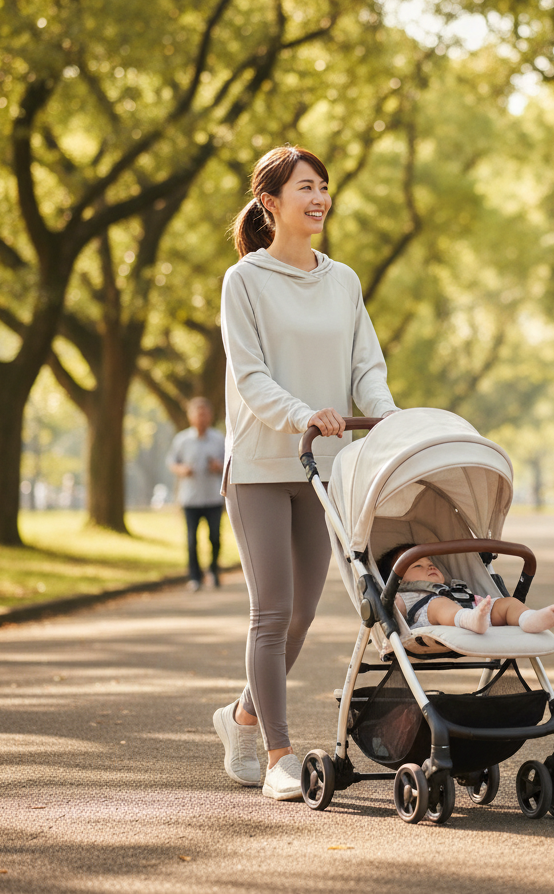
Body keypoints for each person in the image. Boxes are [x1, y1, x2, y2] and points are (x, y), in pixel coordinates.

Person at [211, 145, 399, 802]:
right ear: (270, 202)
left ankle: (240, 715)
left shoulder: (342, 279)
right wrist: (302, 415)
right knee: (273, 612)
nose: (319, 199)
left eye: (324, 187)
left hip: (324, 469)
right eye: (305, 188)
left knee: (303, 616)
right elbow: (251, 377)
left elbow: (365, 367)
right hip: (262, 465)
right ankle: (278, 755)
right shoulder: (245, 281)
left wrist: (389, 416)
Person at [376, 548, 554, 634]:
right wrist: (389, 601)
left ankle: (527, 619)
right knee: (439, 604)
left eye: (431, 564)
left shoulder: (452, 586)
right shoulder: (404, 595)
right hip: (432, 620)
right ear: (397, 581)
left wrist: (483, 608)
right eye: (417, 565)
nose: (429, 567)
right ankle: (469, 619)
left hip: (477, 611)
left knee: (507, 602)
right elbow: (393, 607)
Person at [166, 397, 226, 592]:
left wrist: (219, 467)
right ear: (190, 416)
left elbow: (230, 464)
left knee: (215, 537)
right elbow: (172, 462)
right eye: (197, 413)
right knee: (192, 540)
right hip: (190, 498)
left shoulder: (219, 439)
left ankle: (214, 571)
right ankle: (195, 577)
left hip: (213, 497)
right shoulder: (182, 440)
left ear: (210, 415)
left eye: (204, 413)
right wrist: (182, 469)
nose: (201, 417)